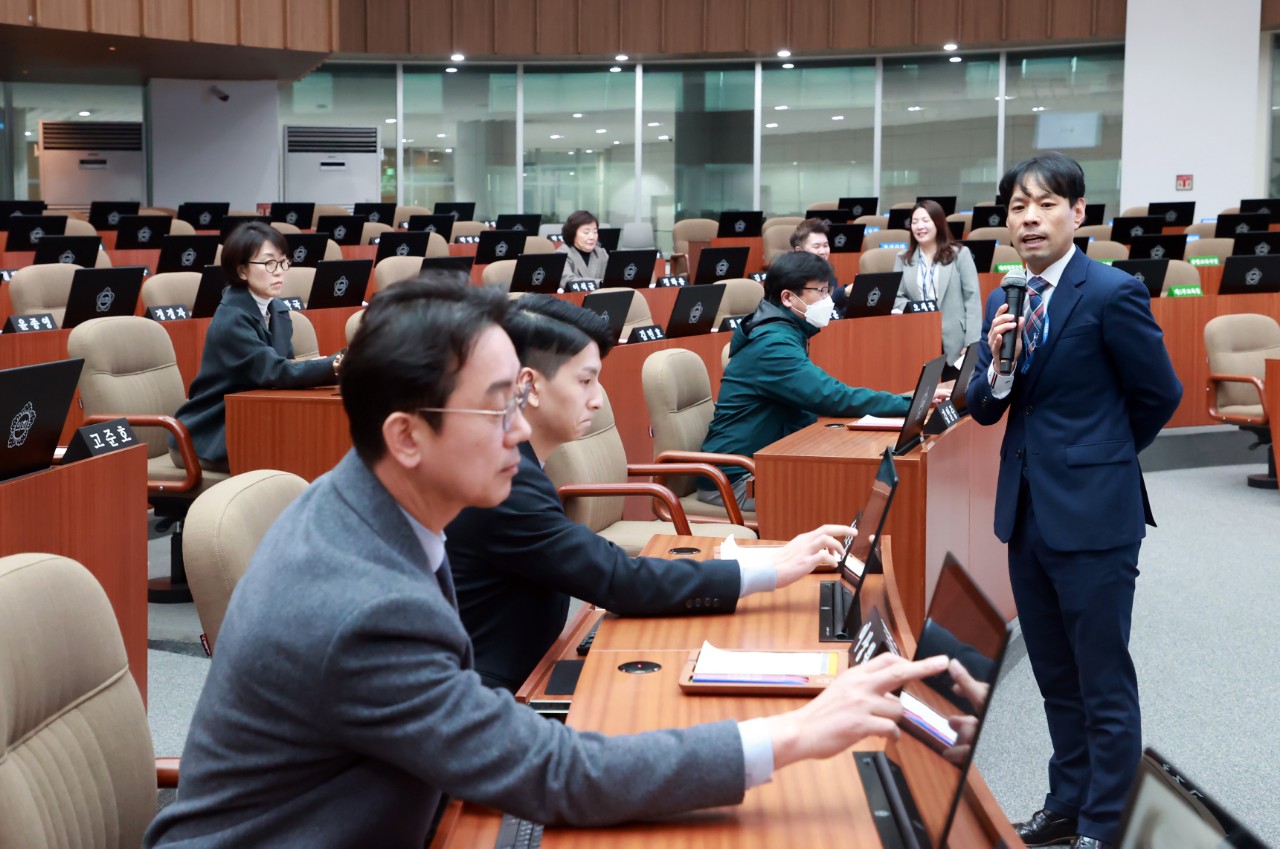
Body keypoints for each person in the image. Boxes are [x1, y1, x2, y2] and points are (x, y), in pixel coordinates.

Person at [144, 271, 950, 849]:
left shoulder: (366, 505)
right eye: (499, 406)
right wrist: (794, 733)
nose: (523, 430)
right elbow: (550, 772)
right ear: (406, 435)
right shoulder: (359, 603)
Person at [447, 294, 856, 692]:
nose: (596, 400)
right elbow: (617, 578)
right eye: (585, 380)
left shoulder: (509, 461)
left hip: (534, 661)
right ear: (530, 386)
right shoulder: (501, 479)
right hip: (496, 694)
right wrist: (770, 569)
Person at [965, 153, 1181, 849]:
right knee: (1056, 676)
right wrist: (997, 368)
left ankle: (1106, 821)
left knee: (1102, 679)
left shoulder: (1112, 292)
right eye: (1017, 207)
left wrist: (1104, 457)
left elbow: (1159, 394)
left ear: (1077, 212)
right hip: (1025, 512)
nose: (1029, 218)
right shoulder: (1003, 300)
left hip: (1095, 514)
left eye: (1045, 204)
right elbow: (984, 406)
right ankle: (1067, 803)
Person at [698, 250, 915, 511]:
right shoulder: (773, 344)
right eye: (821, 292)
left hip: (764, 464)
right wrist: (909, 404)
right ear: (788, 298)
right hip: (736, 482)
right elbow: (831, 396)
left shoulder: (785, 330)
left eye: (828, 290)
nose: (828, 300)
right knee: (841, 494)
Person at [171, 221, 340, 471]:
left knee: (319, 443)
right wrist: (337, 364)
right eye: (270, 263)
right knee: (308, 454)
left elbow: (285, 373)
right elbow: (275, 372)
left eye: (283, 262)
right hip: (209, 433)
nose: (279, 271)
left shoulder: (278, 311)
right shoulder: (231, 319)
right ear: (242, 271)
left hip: (254, 419)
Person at [892, 199, 982, 368]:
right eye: (915, 222)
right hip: (918, 337)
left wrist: (971, 343)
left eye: (926, 221)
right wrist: (916, 308)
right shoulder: (903, 258)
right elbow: (896, 296)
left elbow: (972, 299)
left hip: (955, 340)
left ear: (938, 223)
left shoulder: (960, 254)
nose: (920, 227)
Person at [555, 209, 608, 288]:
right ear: (572, 233)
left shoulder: (601, 253)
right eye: (586, 232)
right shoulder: (562, 254)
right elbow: (568, 281)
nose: (592, 237)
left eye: (595, 232)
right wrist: (601, 283)